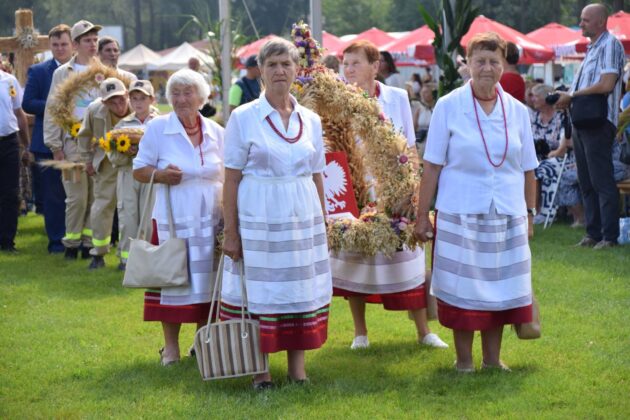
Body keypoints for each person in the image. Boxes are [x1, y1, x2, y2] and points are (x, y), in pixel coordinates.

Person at [415, 32, 538, 372]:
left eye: (494, 61)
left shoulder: (517, 111)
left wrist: (529, 214)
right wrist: (422, 215)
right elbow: (432, 165)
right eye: (480, 61)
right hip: (460, 211)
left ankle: (493, 360)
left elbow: (529, 170)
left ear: (504, 65)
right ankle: (464, 361)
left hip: (507, 213)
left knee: (500, 288)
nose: (487, 68)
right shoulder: (448, 106)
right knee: (462, 289)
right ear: (467, 64)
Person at [221, 38, 332, 389]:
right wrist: (231, 232)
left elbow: (316, 173)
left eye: (286, 63)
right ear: (261, 72)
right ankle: (261, 371)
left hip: (302, 215)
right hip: (260, 215)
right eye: (272, 65)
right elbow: (231, 177)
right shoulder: (243, 117)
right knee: (262, 290)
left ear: (297, 69)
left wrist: (324, 220)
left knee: (298, 286)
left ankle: (298, 369)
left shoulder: (310, 119)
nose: (280, 71)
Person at [337, 39, 447, 350]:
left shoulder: (397, 97)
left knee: (408, 258)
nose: (349, 69)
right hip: (358, 190)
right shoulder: (338, 101)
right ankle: (360, 333)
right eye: (345, 64)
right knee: (354, 258)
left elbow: (410, 146)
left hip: (395, 190)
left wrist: (413, 192)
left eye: (355, 63)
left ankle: (424, 330)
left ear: (375, 66)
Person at [133, 69, 224, 366]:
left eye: (188, 93)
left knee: (208, 282)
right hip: (174, 217)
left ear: (201, 97)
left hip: (211, 217)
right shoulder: (159, 129)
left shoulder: (216, 132)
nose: (181, 99)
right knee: (173, 279)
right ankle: (170, 347)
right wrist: (159, 175)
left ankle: (202, 341)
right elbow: (139, 169)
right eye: (175, 93)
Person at [554, 3, 625, 249]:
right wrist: (567, 97)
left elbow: (607, 84)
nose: (580, 23)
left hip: (599, 122)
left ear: (600, 22)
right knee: (586, 181)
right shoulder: (593, 48)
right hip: (583, 122)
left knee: (601, 181)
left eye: (585, 19)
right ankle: (593, 234)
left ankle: (609, 237)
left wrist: (572, 96)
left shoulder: (610, 45)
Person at [44, 19, 102, 260]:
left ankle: (89, 245)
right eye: (87, 40)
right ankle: (71, 243)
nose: (93, 44)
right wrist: (55, 145)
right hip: (72, 142)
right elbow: (53, 108)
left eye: (95, 40)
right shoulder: (62, 73)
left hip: (100, 144)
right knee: (76, 197)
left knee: (96, 196)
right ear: (76, 44)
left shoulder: (104, 72)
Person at [22, 24, 73, 254]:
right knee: (53, 196)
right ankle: (56, 242)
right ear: (49, 46)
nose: (60, 49)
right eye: (55, 45)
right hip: (46, 143)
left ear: (72, 45)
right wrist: (55, 106)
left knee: (76, 195)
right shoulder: (39, 71)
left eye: (64, 44)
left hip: (76, 141)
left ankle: (79, 238)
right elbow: (28, 103)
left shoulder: (82, 71)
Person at [76, 78, 132, 269]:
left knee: (130, 211)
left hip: (133, 165)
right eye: (112, 102)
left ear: (127, 95)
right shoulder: (93, 110)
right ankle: (98, 254)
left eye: (121, 99)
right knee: (101, 208)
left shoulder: (141, 107)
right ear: (103, 102)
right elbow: (83, 136)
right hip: (106, 163)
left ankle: (127, 258)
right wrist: (87, 160)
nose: (118, 105)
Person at [109, 80, 159, 270]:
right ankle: (126, 260)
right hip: (128, 174)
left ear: (152, 99)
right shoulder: (123, 124)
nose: (138, 103)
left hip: (152, 176)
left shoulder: (161, 122)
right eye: (134, 98)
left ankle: (146, 260)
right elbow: (112, 155)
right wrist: (126, 154)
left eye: (143, 98)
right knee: (128, 215)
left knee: (149, 217)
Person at [0, 69, 30, 253]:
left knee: (10, 193)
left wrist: (26, 145)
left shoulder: (9, 81)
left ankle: (6, 241)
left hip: (8, 142)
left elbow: (19, 113)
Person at [413, 81, 436, 159]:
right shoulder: (419, 109)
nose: (423, 95)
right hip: (421, 143)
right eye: (422, 92)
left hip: (433, 143)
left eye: (426, 92)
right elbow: (414, 127)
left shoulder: (437, 108)